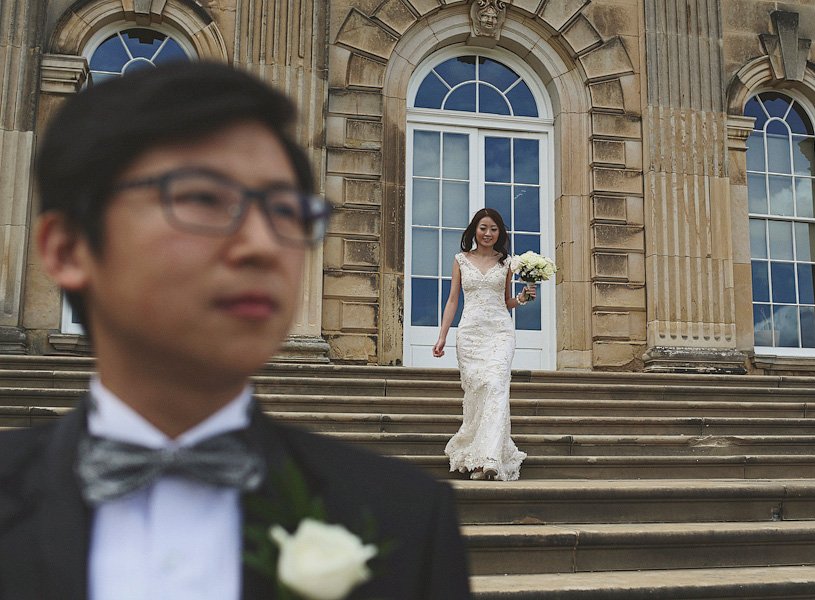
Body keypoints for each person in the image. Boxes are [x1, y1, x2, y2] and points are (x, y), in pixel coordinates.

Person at [0, 62, 470, 600]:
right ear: (68, 248)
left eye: (286, 210)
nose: (262, 246)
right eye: (202, 198)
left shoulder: (403, 517)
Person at [432, 208, 533, 481]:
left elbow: (506, 301)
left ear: (500, 233)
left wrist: (522, 298)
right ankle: (477, 456)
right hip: (471, 334)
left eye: (494, 229)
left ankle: (489, 459)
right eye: (483, 228)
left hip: (500, 331)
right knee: (478, 391)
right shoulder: (460, 260)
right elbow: (453, 300)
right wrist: (442, 336)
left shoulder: (507, 262)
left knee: (496, 384)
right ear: (474, 230)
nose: (488, 233)